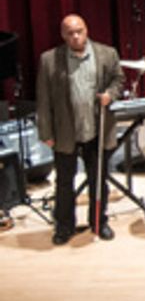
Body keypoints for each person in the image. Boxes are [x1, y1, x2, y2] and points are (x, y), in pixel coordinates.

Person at [36, 15, 123, 244]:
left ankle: (99, 221)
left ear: (86, 30)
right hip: (66, 131)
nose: (75, 36)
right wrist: (45, 132)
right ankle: (64, 227)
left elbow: (118, 80)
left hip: (96, 128)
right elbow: (43, 98)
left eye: (79, 31)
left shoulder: (107, 53)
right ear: (63, 35)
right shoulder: (49, 60)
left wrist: (110, 95)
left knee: (98, 179)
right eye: (70, 33)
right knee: (64, 181)